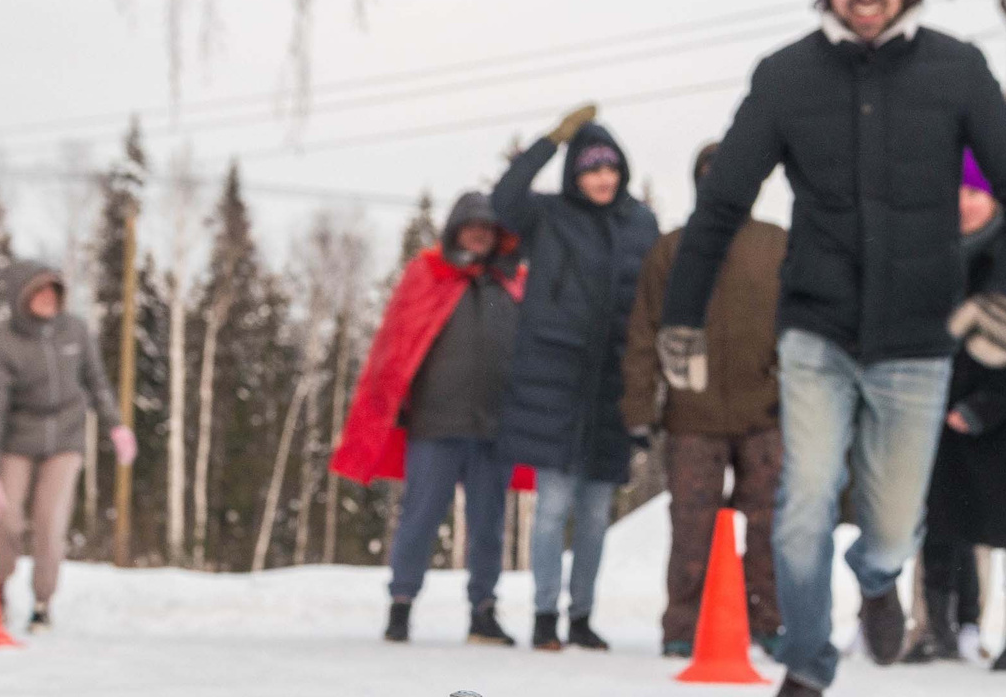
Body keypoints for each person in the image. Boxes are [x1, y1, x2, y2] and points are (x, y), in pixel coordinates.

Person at [660, 0, 1006, 697]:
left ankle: (877, 579)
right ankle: (805, 671)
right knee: (802, 503)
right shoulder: (786, 76)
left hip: (917, 339)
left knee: (893, 528)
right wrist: (681, 316)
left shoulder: (957, 70)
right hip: (818, 330)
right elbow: (722, 205)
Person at [492, 109, 660, 652]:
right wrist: (549, 141)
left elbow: (653, 300)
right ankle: (545, 615)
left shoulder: (641, 223)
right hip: (556, 381)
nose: (602, 179)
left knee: (593, 516)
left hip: (612, 384)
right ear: (574, 175)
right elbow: (503, 200)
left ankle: (582, 616)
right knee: (552, 509)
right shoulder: (548, 216)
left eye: (609, 168)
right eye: (590, 169)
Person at [331, 191, 528, 646]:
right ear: (456, 230)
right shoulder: (428, 275)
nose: (479, 235)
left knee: (488, 527)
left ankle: (483, 611)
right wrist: (392, 404)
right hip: (436, 424)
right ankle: (401, 604)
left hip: (495, 427)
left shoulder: (512, 284)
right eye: (471, 227)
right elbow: (396, 343)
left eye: (487, 229)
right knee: (419, 518)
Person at [906, 150, 1006, 673]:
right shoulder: (935, 256)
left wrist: (983, 408)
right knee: (941, 524)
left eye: (974, 192)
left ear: (994, 198)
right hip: (943, 409)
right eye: (957, 192)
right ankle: (939, 629)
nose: (963, 203)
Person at [624, 141, 785, 659]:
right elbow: (643, 333)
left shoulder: (777, 244)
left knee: (769, 525)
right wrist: (638, 410)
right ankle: (683, 627)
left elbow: (803, 327)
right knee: (692, 528)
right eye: (711, 174)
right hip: (692, 417)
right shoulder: (672, 249)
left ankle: (769, 623)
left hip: (766, 414)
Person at [0, 261, 135, 631]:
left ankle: (42, 602)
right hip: (16, 440)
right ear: (21, 297)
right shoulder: (4, 343)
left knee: (50, 520)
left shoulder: (74, 331)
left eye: (53, 292)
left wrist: (116, 425)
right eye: (38, 292)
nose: (47, 299)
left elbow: (96, 380)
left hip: (65, 439)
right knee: (6, 520)